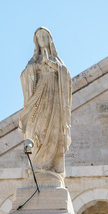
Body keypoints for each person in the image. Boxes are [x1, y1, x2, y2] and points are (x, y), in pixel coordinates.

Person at [19, 27, 72, 175]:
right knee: (37, 129)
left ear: (49, 39)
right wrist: (35, 67)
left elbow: (65, 75)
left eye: (44, 36)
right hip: (38, 100)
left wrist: (49, 64)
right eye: (39, 37)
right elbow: (25, 76)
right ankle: (36, 164)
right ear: (36, 41)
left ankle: (50, 165)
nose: (42, 39)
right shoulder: (33, 61)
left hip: (54, 101)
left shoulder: (56, 60)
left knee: (53, 130)